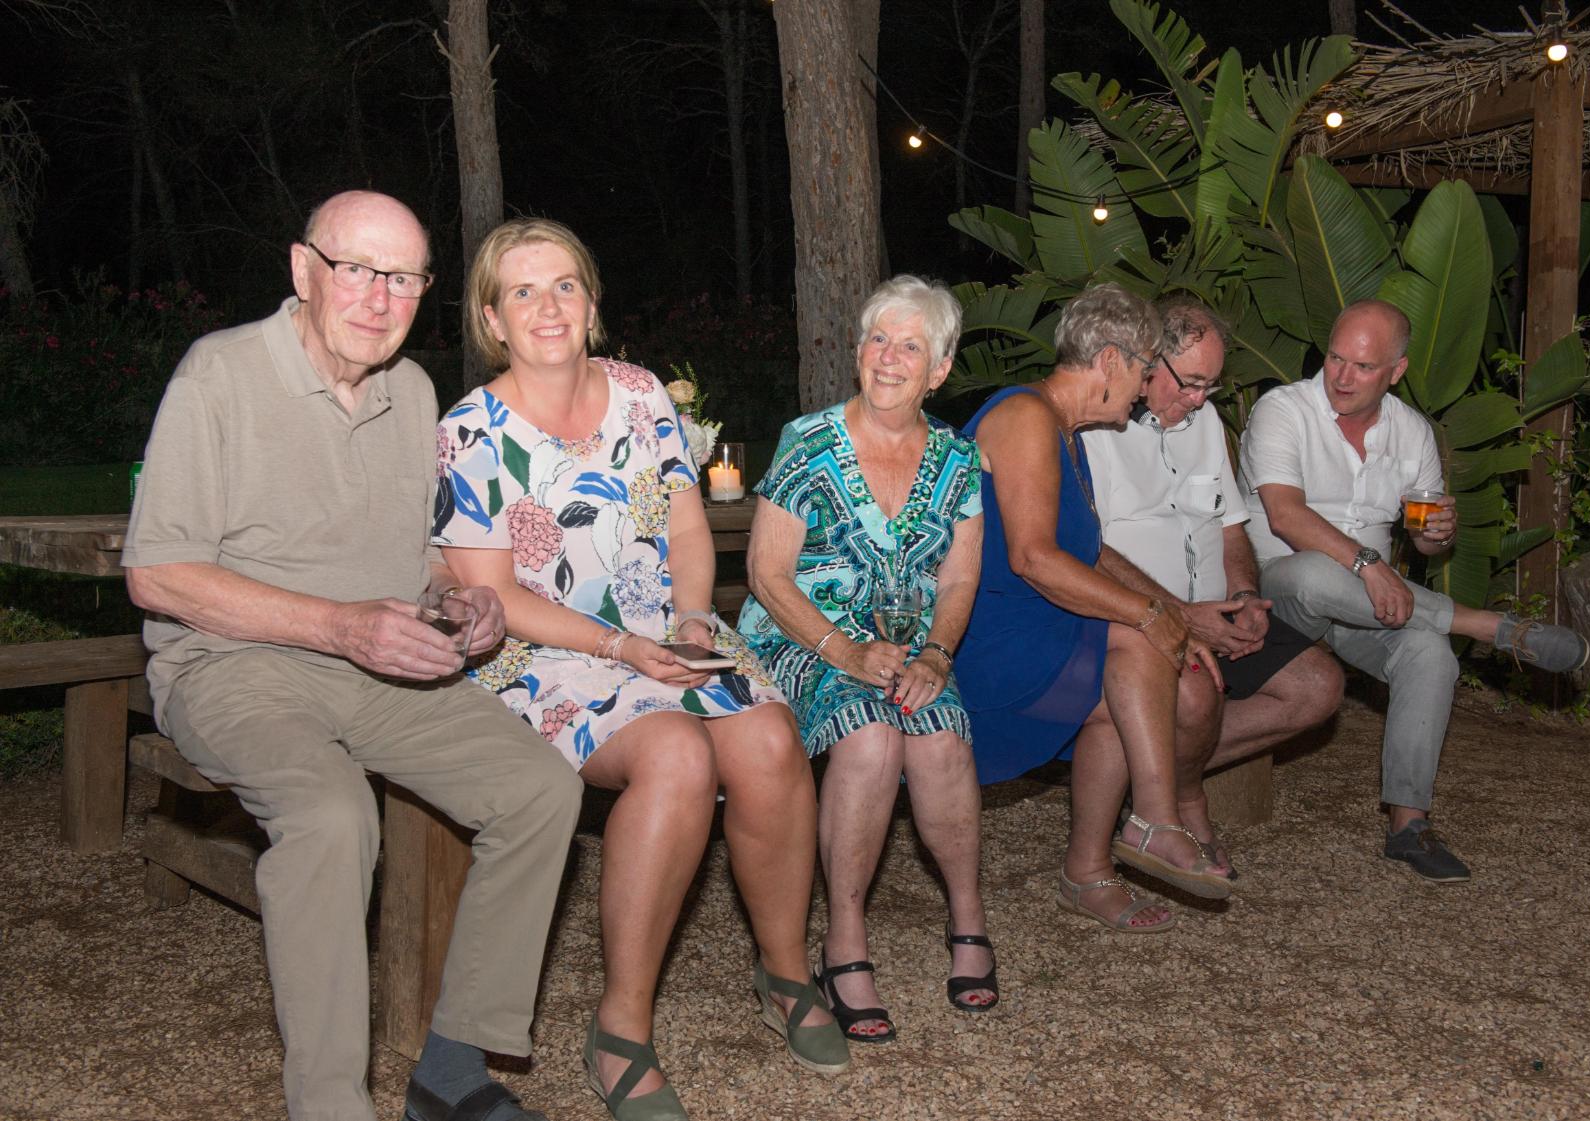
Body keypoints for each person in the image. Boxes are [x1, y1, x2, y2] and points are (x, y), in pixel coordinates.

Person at [123, 190, 581, 1121]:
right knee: (332, 817)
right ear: (304, 270)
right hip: (234, 665)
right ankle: (330, 1104)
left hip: (380, 665)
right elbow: (158, 574)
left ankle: (451, 1070)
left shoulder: (410, 393)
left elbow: (412, 560)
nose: (379, 298)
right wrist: (338, 626)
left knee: (540, 788)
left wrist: (456, 600)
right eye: (357, 270)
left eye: (404, 279)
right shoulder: (219, 375)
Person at [433, 217, 846, 1121]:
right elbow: (491, 594)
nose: (548, 306)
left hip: (664, 630)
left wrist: (693, 617)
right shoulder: (470, 431)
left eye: (565, 285)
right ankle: (620, 1026)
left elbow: (688, 526)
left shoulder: (641, 392)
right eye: (522, 291)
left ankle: (784, 971)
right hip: (541, 655)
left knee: (770, 740)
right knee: (676, 755)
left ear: (592, 301)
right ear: (492, 319)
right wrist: (620, 648)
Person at [1239, 298, 1590, 883]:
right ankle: (1485, 626)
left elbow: (1425, 543)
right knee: (1311, 572)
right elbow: (1285, 517)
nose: (1342, 376)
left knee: (1429, 654)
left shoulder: (1412, 432)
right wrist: (1368, 564)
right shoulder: (1284, 410)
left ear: (1396, 371)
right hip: (1280, 593)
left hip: (1367, 606)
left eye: (1363, 366)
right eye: (1335, 358)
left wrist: (1436, 535)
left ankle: (1408, 824)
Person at [737, 275, 993, 1045]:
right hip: (801, 635)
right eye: (878, 339)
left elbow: (961, 578)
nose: (888, 357)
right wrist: (842, 650)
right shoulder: (807, 441)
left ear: (938, 369)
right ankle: (843, 936)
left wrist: (938, 656)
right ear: (858, 351)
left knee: (939, 735)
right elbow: (766, 574)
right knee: (872, 735)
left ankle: (968, 916)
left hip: (911, 647)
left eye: (910, 346)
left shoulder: (959, 460)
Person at [954, 283, 1234, 938]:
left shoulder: (1065, 431)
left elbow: (1089, 554)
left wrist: (1165, 610)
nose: (1142, 389)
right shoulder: (1025, 416)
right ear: (1109, 360)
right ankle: (1154, 821)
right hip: (983, 639)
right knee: (1136, 640)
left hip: (1026, 625)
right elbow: (1032, 558)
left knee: (1121, 692)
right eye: (1143, 369)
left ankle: (1089, 869)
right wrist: (1150, 614)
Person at [1082, 296, 1344, 875]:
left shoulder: (1205, 424)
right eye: (1191, 383)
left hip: (1213, 610)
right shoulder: (1093, 431)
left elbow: (1230, 528)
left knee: (1318, 687)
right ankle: (1184, 800)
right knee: (1197, 694)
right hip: (1139, 620)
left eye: (1211, 386)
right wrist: (1179, 614)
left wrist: (1245, 596)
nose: (1201, 399)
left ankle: (1149, 778)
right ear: (1147, 360)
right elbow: (1086, 552)